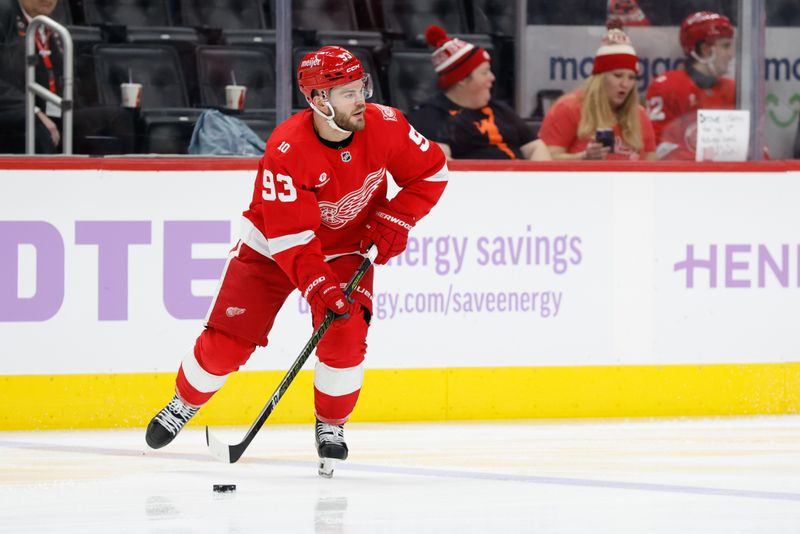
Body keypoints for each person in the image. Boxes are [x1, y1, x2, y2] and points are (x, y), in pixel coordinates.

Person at [145, 46, 448, 477]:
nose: (360, 100)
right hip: (272, 247)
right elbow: (291, 238)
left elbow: (432, 172)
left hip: (345, 248)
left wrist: (397, 217)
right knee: (228, 343)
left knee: (346, 334)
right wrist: (319, 286)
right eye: (347, 93)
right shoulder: (287, 149)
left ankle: (331, 425)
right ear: (318, 100)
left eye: (360, 87)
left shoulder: (386, 124)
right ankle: (184, 403)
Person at [0, 0, 134, 154]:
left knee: (117, 118)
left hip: (54, 112)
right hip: (15, 111)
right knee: (39, 130)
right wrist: (33, 111)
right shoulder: (4, 14)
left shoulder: (53, 25)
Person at [406, 24, 550, 161]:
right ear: (462, 79)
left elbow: (535, 147)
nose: (492, 78)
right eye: (484, 72)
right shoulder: (431, 116)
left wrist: (537, 174)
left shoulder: (501, 110)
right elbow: (440, 164)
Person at [538, 22, 656, 161]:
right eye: (618, 75)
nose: (625, 84)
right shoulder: (568, 108)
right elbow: (544, 159)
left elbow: (651, 163)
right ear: (600, 78)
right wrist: (583, 158)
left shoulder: (639, 115)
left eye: (631, 78)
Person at [645, 11, 735, 160]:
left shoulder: (732, 89)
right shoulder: (667, 87)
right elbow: (658, 148)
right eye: (725, 46)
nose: (731, 54)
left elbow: (752, 147)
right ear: (705, 49)